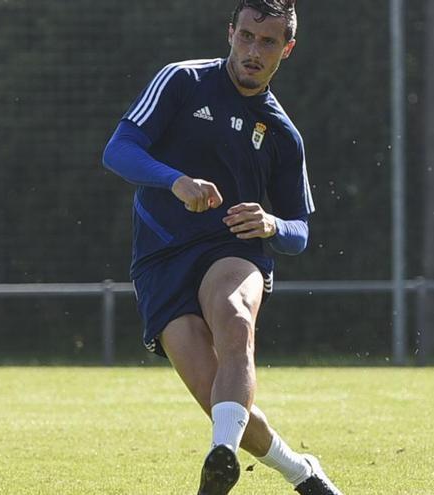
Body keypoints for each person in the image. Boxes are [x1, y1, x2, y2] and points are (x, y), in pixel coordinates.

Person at [102, 1, 343, 494]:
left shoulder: (281, 133)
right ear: (230, 32)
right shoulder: (181, 81)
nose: (253, 51)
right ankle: (302, 471)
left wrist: (272, 224)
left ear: (287, 50)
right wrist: (175, 182)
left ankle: (221, 460)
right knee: (219, 400)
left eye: (268, 42)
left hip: (234, 251)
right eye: (247, 36)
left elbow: (300, 231)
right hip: (161, 260)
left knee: (234, 317)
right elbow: (119, 149)